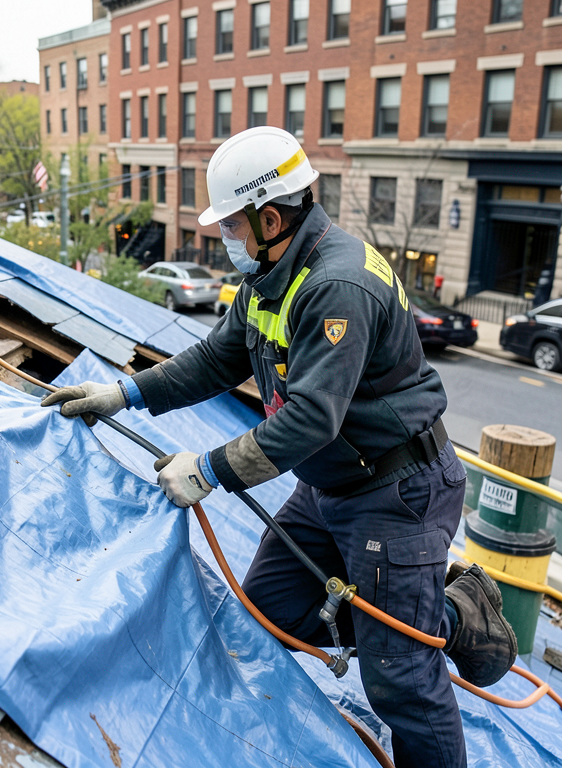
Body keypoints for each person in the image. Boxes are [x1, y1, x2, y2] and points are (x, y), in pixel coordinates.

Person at [43, 126, 516, 768]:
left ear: (270, 219)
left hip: (396, 493)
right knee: (271, 615)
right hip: (330, 486)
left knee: (399, 677)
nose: (224, 237)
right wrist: (123, 393)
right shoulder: (272, 274)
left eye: (231, 224)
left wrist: (207, 470)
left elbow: (311, 420)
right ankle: (421, 614)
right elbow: (217, 358)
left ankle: (450, 620)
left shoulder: (336, 285)